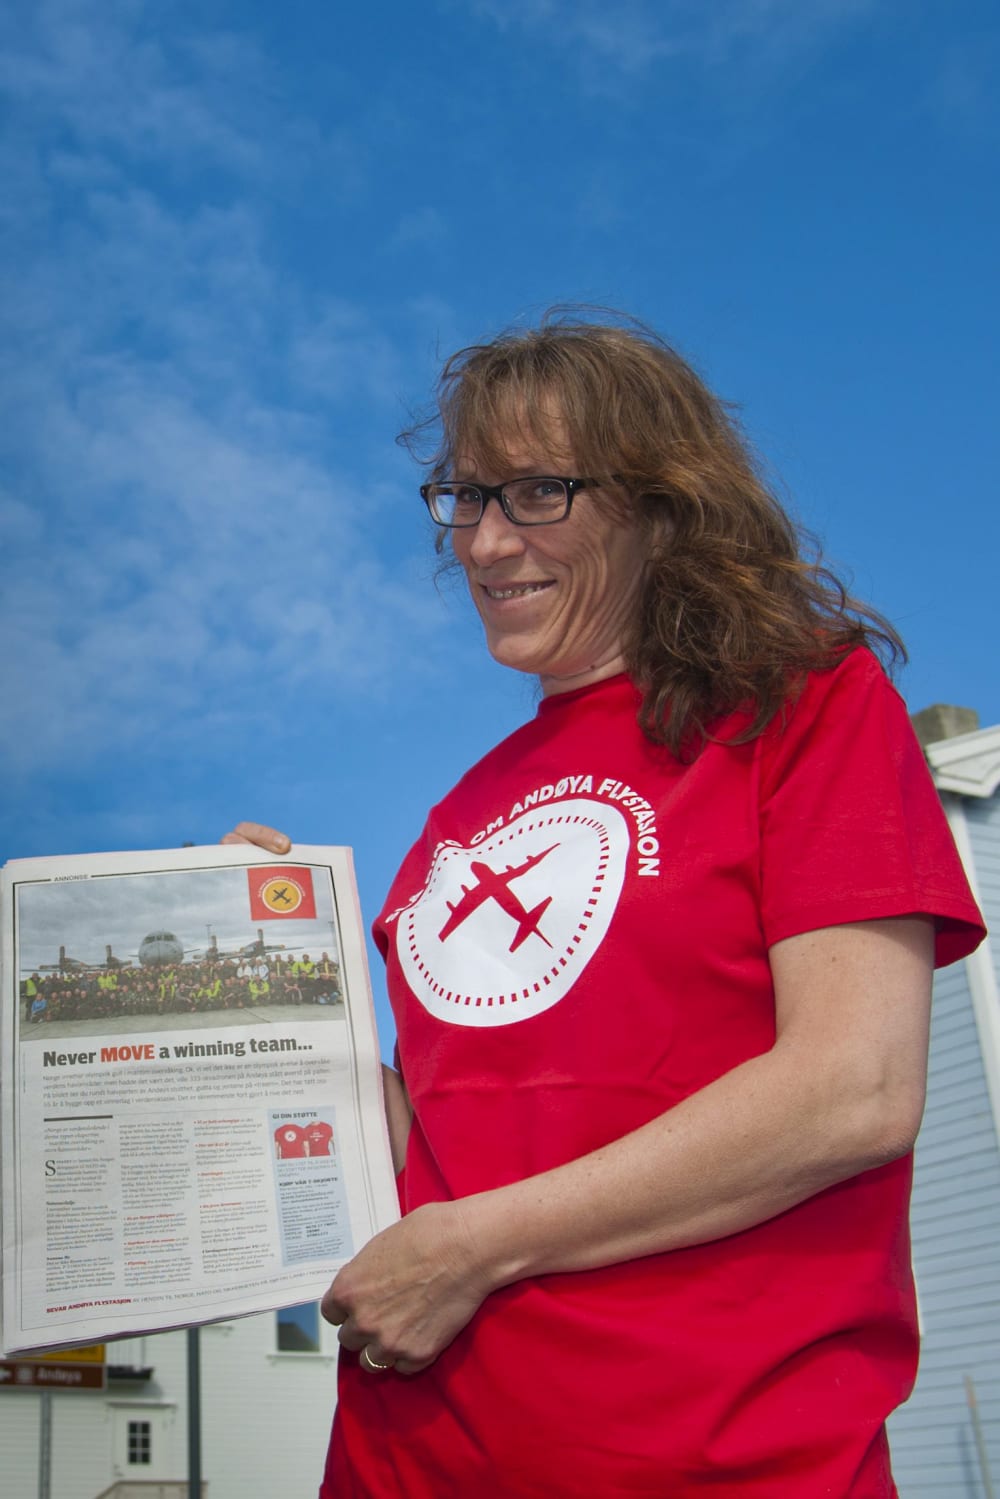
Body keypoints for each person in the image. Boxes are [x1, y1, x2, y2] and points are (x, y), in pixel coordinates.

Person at [224, 313, 984, 1498]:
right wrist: (264, 985)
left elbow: (853, 1089)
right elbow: (433, 1155)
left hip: (726, 1464)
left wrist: (477, 1247)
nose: (484, 541)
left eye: (536, 491)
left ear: (659, 503)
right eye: (464, 497)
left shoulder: (802, 706)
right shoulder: (452, 819)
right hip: (405, 1462)